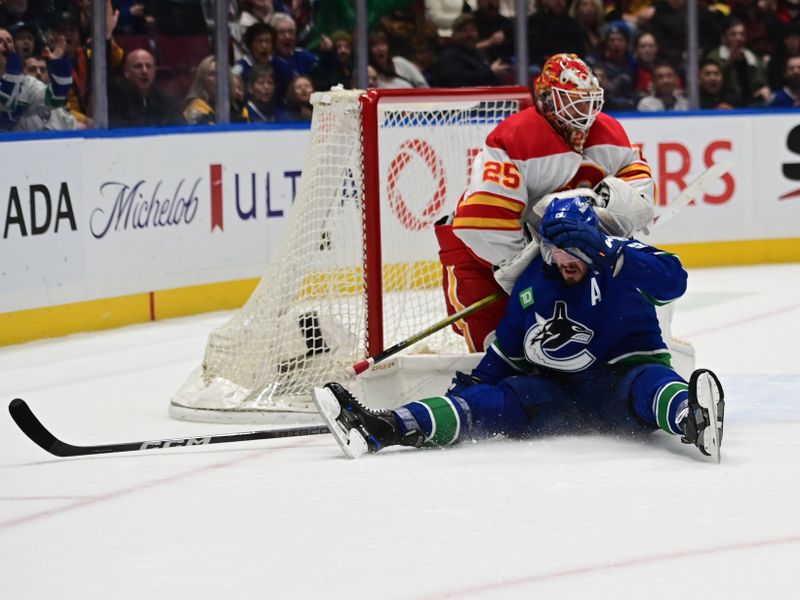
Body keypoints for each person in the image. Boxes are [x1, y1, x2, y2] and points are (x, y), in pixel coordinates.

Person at [313, 195, 726, 462]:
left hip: (626, 378)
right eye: (554, 248)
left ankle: (692, 418)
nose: (564, 258)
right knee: (490, 401)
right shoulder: (532, 286)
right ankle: (384, 428)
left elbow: (674, 280)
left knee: (652, 382)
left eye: (573, 247)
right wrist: (474, 387)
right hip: (561, 398)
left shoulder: (620, 259)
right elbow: (507, 352)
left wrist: (605, 248)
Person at [434, 52, 656, 354]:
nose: (584, 110)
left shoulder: (610, 133)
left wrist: (603, 227)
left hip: (556, 259)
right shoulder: (515, 138)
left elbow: (639, 194)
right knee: (499, 353)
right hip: (481, 259)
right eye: (572, 100)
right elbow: (481, 223)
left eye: (589, 100)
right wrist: (532, 274)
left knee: (567, 347)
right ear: (546, 99)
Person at [1, 27, 73, 131]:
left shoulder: (27, 84)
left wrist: (59, 66)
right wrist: (13, 69)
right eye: (0, 42)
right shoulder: (16, 79)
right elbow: (6, 102)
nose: (7, 46)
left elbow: (56, 99)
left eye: (9, 41)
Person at [430, 13, 510, 87]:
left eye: (472, 30)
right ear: (454, 35)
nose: (469, 34)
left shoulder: (479, 54)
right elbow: (458, 80)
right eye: (464, 30)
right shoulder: (448, 55)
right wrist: (491, 72)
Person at [108, 48, 181, 128]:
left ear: (154, 71)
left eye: (148, 66)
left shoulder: (166, 102)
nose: (144, 71)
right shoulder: (115, 100)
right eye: (138, 66)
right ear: (126, 72)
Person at [706, 17, 770, 108]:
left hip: (752, 104)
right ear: (723, 38)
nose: (738, 38)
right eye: (733, 34)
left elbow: (761, 82)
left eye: (742, 34)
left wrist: (763, 90)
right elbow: (712, 83)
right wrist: (729, 62)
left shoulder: (752, 58)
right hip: (724, 103)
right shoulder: (714, 57)